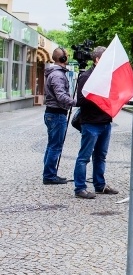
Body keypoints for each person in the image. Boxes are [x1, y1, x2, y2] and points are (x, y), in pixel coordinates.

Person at [74, 46, 119, 199]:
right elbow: (80, 100)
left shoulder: (108, 76)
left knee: (101, 156)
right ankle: (80, 188)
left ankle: (100, 185)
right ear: (97, 59)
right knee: (84, 157)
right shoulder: (86, 77)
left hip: (105, 122)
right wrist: (99, 96)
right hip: (91, 123)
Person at [42, 47, 77, 185]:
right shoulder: (57, 75)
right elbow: (61, 96)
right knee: (55, 146)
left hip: (53, 113)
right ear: (63, 58)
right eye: (66, 56)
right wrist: (76, 102)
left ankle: (49, 173)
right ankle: (49, 176)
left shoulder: (55, 73)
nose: (68, 57)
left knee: (52, 145)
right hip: (56, 114)